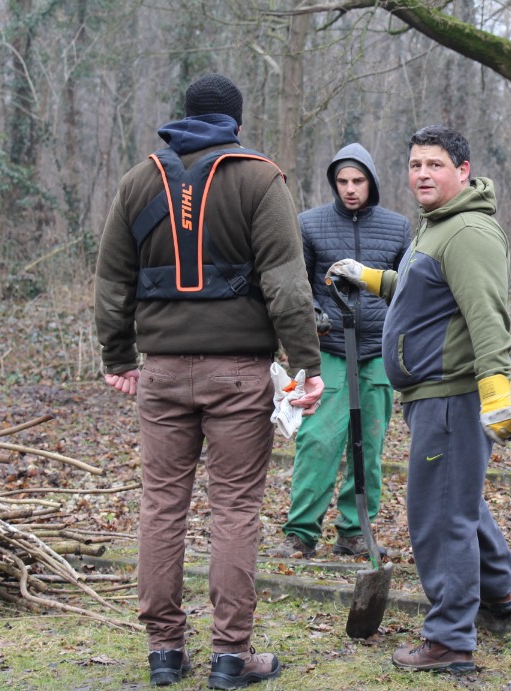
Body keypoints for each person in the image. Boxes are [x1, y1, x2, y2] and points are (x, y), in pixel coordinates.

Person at [94, 74, 324, 689]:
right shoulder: (259, 179)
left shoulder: (138, 181)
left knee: (161, 506)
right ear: (236, 124)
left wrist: (119, 357)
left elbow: (112, 281)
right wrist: (307, 367)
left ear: (185, 117)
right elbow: (286, 283)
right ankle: (230, 656)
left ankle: (164, 651)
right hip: (239, 375)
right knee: (236, 509)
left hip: (162, 373)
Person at [326, 125, 511, 673]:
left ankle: (449, 639)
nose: (422, 174)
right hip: (434, 395)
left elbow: (487, 313)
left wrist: (496, 386)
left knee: (440, 516)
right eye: (415, 165)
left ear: (463, 170)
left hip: (452, 396)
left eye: (435, 164)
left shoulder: (467, 232)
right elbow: (425, 293)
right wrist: (369, 278)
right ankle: (497, 596)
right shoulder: (438, 226)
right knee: (461, 501)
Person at [267, 143, 410, 560]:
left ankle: (354, 531)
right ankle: (300, 533)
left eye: (358, 181)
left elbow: (407, 289)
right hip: (327, 351)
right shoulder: (309, 224)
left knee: (369, 444)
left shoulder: (398, 228)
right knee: (318, 440)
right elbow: (297, 282)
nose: (350, 189)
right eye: (343, 181)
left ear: (371, 182)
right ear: (334, 183)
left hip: (376, 351)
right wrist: (315, 313)